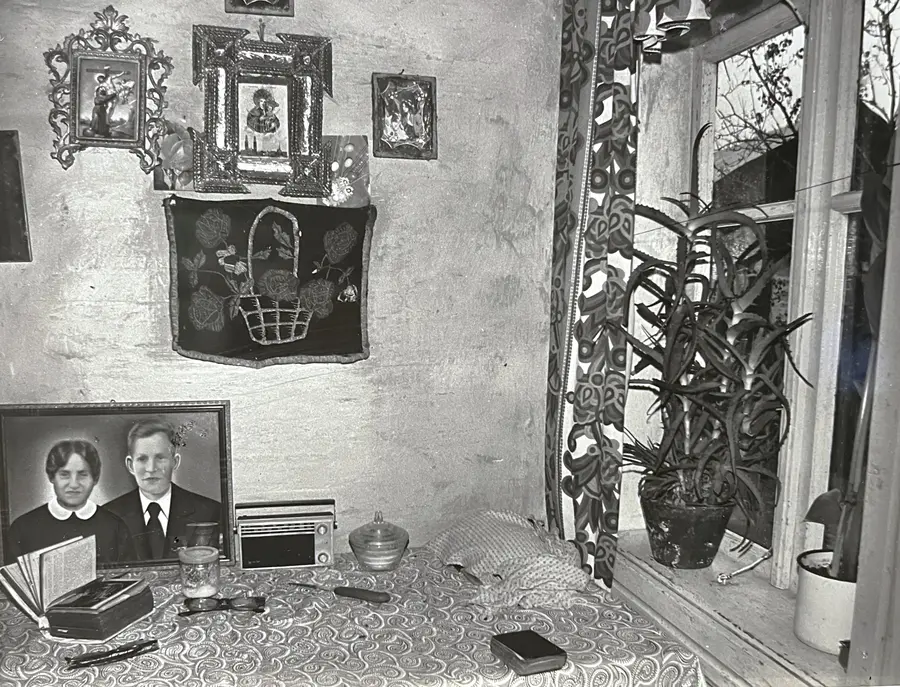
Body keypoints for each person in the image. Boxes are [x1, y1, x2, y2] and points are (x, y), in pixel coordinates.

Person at [103, 419, 222, 560]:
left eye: (160, 458)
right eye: (142, 459)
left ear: (175, 462)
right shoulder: (108, 516)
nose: (151, 468)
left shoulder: (210, 512)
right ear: (130, 465)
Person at [5, 440, 135, 565]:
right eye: (64, 474)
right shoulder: (22, 528)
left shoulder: (115, 526)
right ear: (51, 477)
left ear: (95, 478)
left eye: (82, 474)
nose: (74, 484)